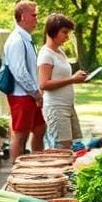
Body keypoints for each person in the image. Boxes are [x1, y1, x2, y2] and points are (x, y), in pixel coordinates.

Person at [37, 13, 87, 150]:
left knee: (69, 147)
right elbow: (43, 84)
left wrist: (77, 78)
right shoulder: (46, 54)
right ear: (52, 31)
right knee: (61, 149)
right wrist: (72, 79)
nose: (67, 36)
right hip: (56, 107)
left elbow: (62, 77)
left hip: (67, 106)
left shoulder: (60, 52)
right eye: (64, 32)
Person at [4, 0, 46, 157]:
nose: (37, 19)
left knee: (40, 129)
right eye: (34, 15)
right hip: (22, 95)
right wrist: (35, 92)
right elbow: (19, 72)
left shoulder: (25, 38)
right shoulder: (16, 40)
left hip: (30, 94)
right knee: (20, 135)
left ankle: (37, 162)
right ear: (23, 17)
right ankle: (17, 172)